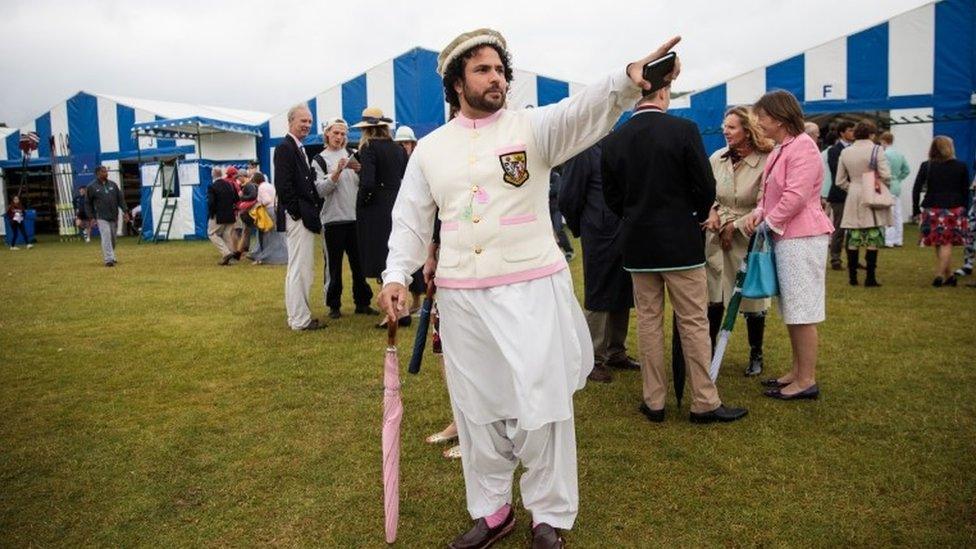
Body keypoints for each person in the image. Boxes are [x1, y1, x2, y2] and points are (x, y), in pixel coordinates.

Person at [379, 28, 679, 548]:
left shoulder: (532, 128)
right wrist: (395, 276)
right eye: (482, 70)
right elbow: (409, 219)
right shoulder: (428, 150)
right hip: (461, 296)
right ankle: (492, 511)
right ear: (456, 83)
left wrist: (626, 82)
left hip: (531, 291)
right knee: (477, 411)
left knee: (542, 408)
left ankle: (549, 515)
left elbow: (582, 111)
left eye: (499, 69)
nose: (496, 78)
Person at [602, 74, 748, 426]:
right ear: (664, 94)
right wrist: (694, 215)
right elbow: (705, 185)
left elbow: (612, 197)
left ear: (638, 96)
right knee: (694, 322)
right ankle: (703, 401)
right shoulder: (683, 130)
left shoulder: (615, 139)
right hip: (680, 242)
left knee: (649, 324)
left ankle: (654, 401)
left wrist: (636, 216)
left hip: (638, 243)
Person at [743, 90, 834, 400]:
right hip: (788, 237)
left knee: (802, 310)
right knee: (792, 308)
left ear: (780, 118)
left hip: (802, 238)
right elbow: (770, 194)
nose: (759, 122)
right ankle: (797, 371)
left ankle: (806, 380)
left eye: (763, 117)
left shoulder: (803, 148)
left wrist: (769, 222)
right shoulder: (785, 147)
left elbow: (795, 196)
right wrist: (759, 214)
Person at [559, 142, 640, 383]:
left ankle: (617, 351)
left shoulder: (620, 143)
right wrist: (583, 226)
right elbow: (569, 197)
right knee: (599, 294)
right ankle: (591, 358)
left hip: (624, 229)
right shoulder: (583, 149)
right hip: (600, 231)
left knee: (623, 291)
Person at [703, 107, 773, 377]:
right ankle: (707, 352)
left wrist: (737, 225)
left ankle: (756, 352)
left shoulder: (767, 161)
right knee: (714, 295)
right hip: (716, 237)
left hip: (748, 239)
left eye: (731, 127)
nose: (725, 130)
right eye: (725, 126)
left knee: (752, 299)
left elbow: (765, 204)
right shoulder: (716, 158)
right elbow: (709, 194)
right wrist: (711, 213)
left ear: (748, 130)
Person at [311, 117, 376, 318]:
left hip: (355, 219)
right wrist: (337, 172)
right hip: (332, 220)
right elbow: (320, 191)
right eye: (335, 133)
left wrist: (360, 171)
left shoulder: (353, 155)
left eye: (342, 134)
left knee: (359, 264)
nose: (339, 137)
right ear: (327, 134)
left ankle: (362, 302)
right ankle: (334, 305)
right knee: (334, 266)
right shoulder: (319, 160)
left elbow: (364, 185)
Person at [354, 107, 410, 326]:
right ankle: (402, 308)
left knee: (380, 258)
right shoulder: (397, 149)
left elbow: (368, 182)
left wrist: (364, 202)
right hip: (396, 201)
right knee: (394, 254)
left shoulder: (368, 147)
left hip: (376, 206)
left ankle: (394, 312)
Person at [274, 104, 325, 331]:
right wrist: (297, 213)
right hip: (297, 217)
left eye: (309, 122)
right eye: (303, 121)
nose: (306, 125)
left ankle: (299, 316)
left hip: (302, 215)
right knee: (299, 269)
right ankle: (299, 320)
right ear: (291, 121)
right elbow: (283, 185)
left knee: (301, 268)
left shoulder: (297, 147)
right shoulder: (285, 147)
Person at [836, 120, 892, 287]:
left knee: (853, 235)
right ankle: (870, 277)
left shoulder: (846, 152)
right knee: (872, 234)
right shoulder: (877, 149)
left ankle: (852, 277)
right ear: (872, 134)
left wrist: (852, 187)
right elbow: (886, 174)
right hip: (871, 192)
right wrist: (877, 185)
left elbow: (839, 180)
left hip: (853, 193)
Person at [912, 136, 972, 287]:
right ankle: (943, 275)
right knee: (947, 243)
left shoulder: (927, 165)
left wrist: (915, 208)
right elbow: (965, 190)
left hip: (932, 208)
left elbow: (916, 188)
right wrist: (965, 207)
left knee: (939, 243)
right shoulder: (961, 166)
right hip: (954, 208)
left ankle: (946, 275)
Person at [826, 120, 856, 270]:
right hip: (839, 194)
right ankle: (835, 258)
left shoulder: (856, 148)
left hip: (854, 193)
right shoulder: (834, 150)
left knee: (854, 228)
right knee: (839, 228)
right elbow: (835, 170)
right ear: (842, 133)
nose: (853, 133)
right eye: (850, 130)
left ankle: (853, 258)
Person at [85, 166, 130, 267]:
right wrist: (91, 217)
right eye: (103, 172)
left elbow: (120, 199)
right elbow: (87, 203)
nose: (106, 173)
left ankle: (112, 255)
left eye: (106, 171)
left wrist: (125, 212)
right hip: (101, 217)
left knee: (113, 239)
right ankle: (108, 260)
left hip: (114, 216)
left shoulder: (113, 185)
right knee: (106, 237)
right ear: (98, 174)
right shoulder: (91, 187)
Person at [877, 132, 911, 247]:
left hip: (888, 185)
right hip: (897, 185)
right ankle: (898, 239)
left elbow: (883, 171)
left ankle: (889, 240)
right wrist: (898, 179)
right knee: (898, 214)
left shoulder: (885, 154)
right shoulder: (899, 154)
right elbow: (907, 170)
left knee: (888, 214)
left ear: (883, 141)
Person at [250, 172, 288, 265]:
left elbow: (267, 200)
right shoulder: (269, 185)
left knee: (267, 235)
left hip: (267, 211)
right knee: (274, 234)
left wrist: (260, 205)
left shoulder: (261, 188)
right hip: (274, 209)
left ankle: (265, 256)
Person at [207, 166, 239, 266]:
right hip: (230, 214)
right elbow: (236, 199)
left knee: (211, 233)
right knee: (226, 234)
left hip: (218, 214)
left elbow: (211, 203)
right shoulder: (230, 185)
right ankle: (230, 256)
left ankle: (226, 253)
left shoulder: (212, 187)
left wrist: (211, 214)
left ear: (213, 175)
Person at [236, 171, 259, 257]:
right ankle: (243, 251)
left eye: (239, 177)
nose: (238, 179)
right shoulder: (250, 185)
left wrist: (241, 197)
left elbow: (253, 196)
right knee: (246, 232)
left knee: (245, 232)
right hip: (251, 211)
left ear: (243, 176)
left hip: (249, 211)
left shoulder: (248, 185)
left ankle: (241, 252)